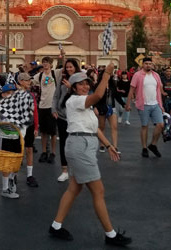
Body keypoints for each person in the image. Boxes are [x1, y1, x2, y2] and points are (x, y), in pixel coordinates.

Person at [48, 63, 130, 247]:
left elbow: (94, 128)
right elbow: (99, 95)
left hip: (85, 144)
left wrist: (108, 144)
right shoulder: (75, 101)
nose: (85, 86)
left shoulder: (84, 104)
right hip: (80, 146)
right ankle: (110, 234)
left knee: (74, 188)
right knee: (98, 190)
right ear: (74, 87)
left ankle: (56, 225)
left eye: (87, 83)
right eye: (81, 84)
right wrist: (107, 74)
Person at [0, 81, 33, 198]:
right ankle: (5, 188)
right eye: (8, 93)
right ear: (3, 94)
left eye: (13, 92)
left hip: (19, 137)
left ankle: (12, 178)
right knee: (6, 162)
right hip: (6, 137)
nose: (11, 95)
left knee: (16, 161)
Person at [127, 57, 165, 158]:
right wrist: (128, 104)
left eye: (150, 63)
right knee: (145, 126)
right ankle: (144, 148)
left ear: (152, 65)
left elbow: (159, 90)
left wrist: (161, 105)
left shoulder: (156, 75)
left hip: (155, 103)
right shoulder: (138, 75)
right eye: (146, 63)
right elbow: (131, 90)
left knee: (160, 125)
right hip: (143, 104)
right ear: (142, 65)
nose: (148, 65)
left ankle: (153, 144)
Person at [51, 57, 81, 182]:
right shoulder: (62, 79)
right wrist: (54, 109)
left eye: (71, 67)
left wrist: (70, 87)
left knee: (75, 143)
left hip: (75, 116)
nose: (69, 69)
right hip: (62, 116)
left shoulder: (81, 79)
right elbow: (56, 95)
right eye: (67, 67)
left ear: (75, 67)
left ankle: (75, 169)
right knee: (63, 142)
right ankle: (64, 170)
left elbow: (83, 95)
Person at [33, 57, 57, 163]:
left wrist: (62, 55)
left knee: (53, 132)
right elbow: (30, 83)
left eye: (47, 63)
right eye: (44, 63)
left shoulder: (55, 74)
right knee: (43, 132)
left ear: (51, 64)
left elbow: (65, 67)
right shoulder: (39, 75)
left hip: (52, 107)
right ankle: (43, 152)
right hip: (42, 106)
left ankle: (53, 152)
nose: (45, 64)